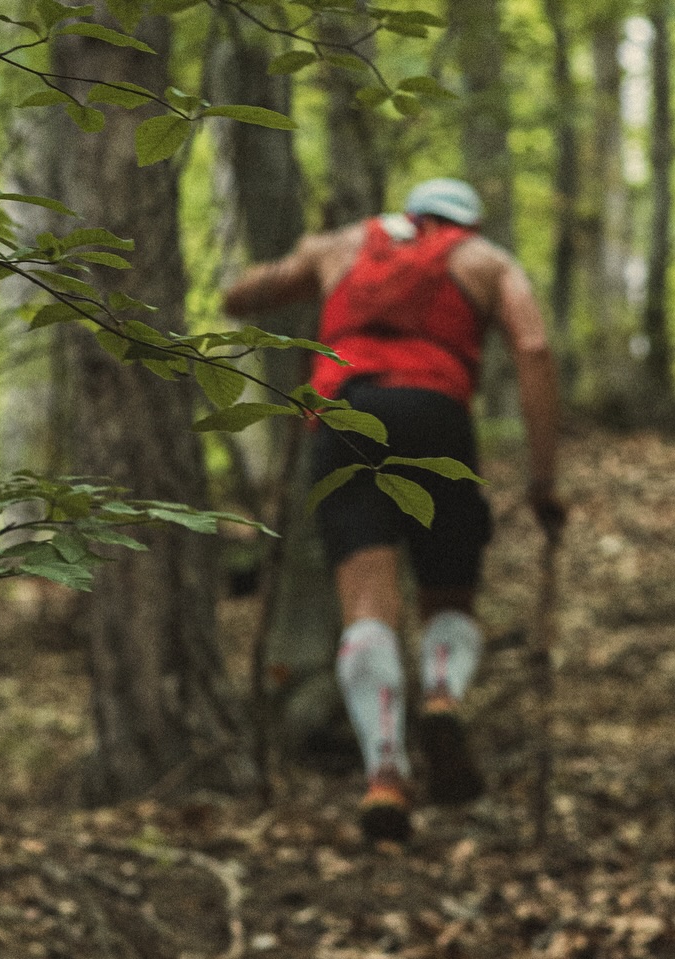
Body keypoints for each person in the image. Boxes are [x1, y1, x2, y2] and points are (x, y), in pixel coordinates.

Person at [222, 178, 566, 842]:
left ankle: (385, 772)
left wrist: (303, 255)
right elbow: (534, 348)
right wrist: (543, 478)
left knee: (367, 605)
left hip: (346, 415)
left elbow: (243, 295)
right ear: (466, 219)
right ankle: (440, 693)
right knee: (449, 593)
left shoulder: (343, 245)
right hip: (436, 418)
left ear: (408, 213)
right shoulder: (486, 260)